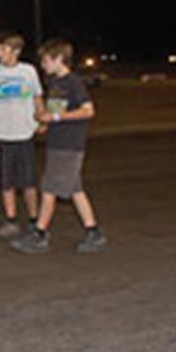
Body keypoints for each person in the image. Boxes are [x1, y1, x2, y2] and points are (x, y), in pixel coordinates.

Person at [11, 38, 107, 254]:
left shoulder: (73, 82)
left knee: (49, 188)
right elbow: (54, 114)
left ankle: (40, 233)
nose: (43, 65)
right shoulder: (56, 84)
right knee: (75, 190)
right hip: (57, 143)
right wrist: (43, 122)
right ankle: (94, 232)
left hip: (69, 145)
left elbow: (88, 111)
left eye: (45, 60)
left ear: (58, 59)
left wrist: (55, 116)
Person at [0, 31, 44, 238]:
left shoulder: (28, 71)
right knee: (6, 181)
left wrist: (41, 119)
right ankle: (11, 219)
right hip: (1, 134)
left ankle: (34, 218)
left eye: (3, 49)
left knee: (29, 181)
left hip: (24, 134)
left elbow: (37, 96)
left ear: (16, 51)